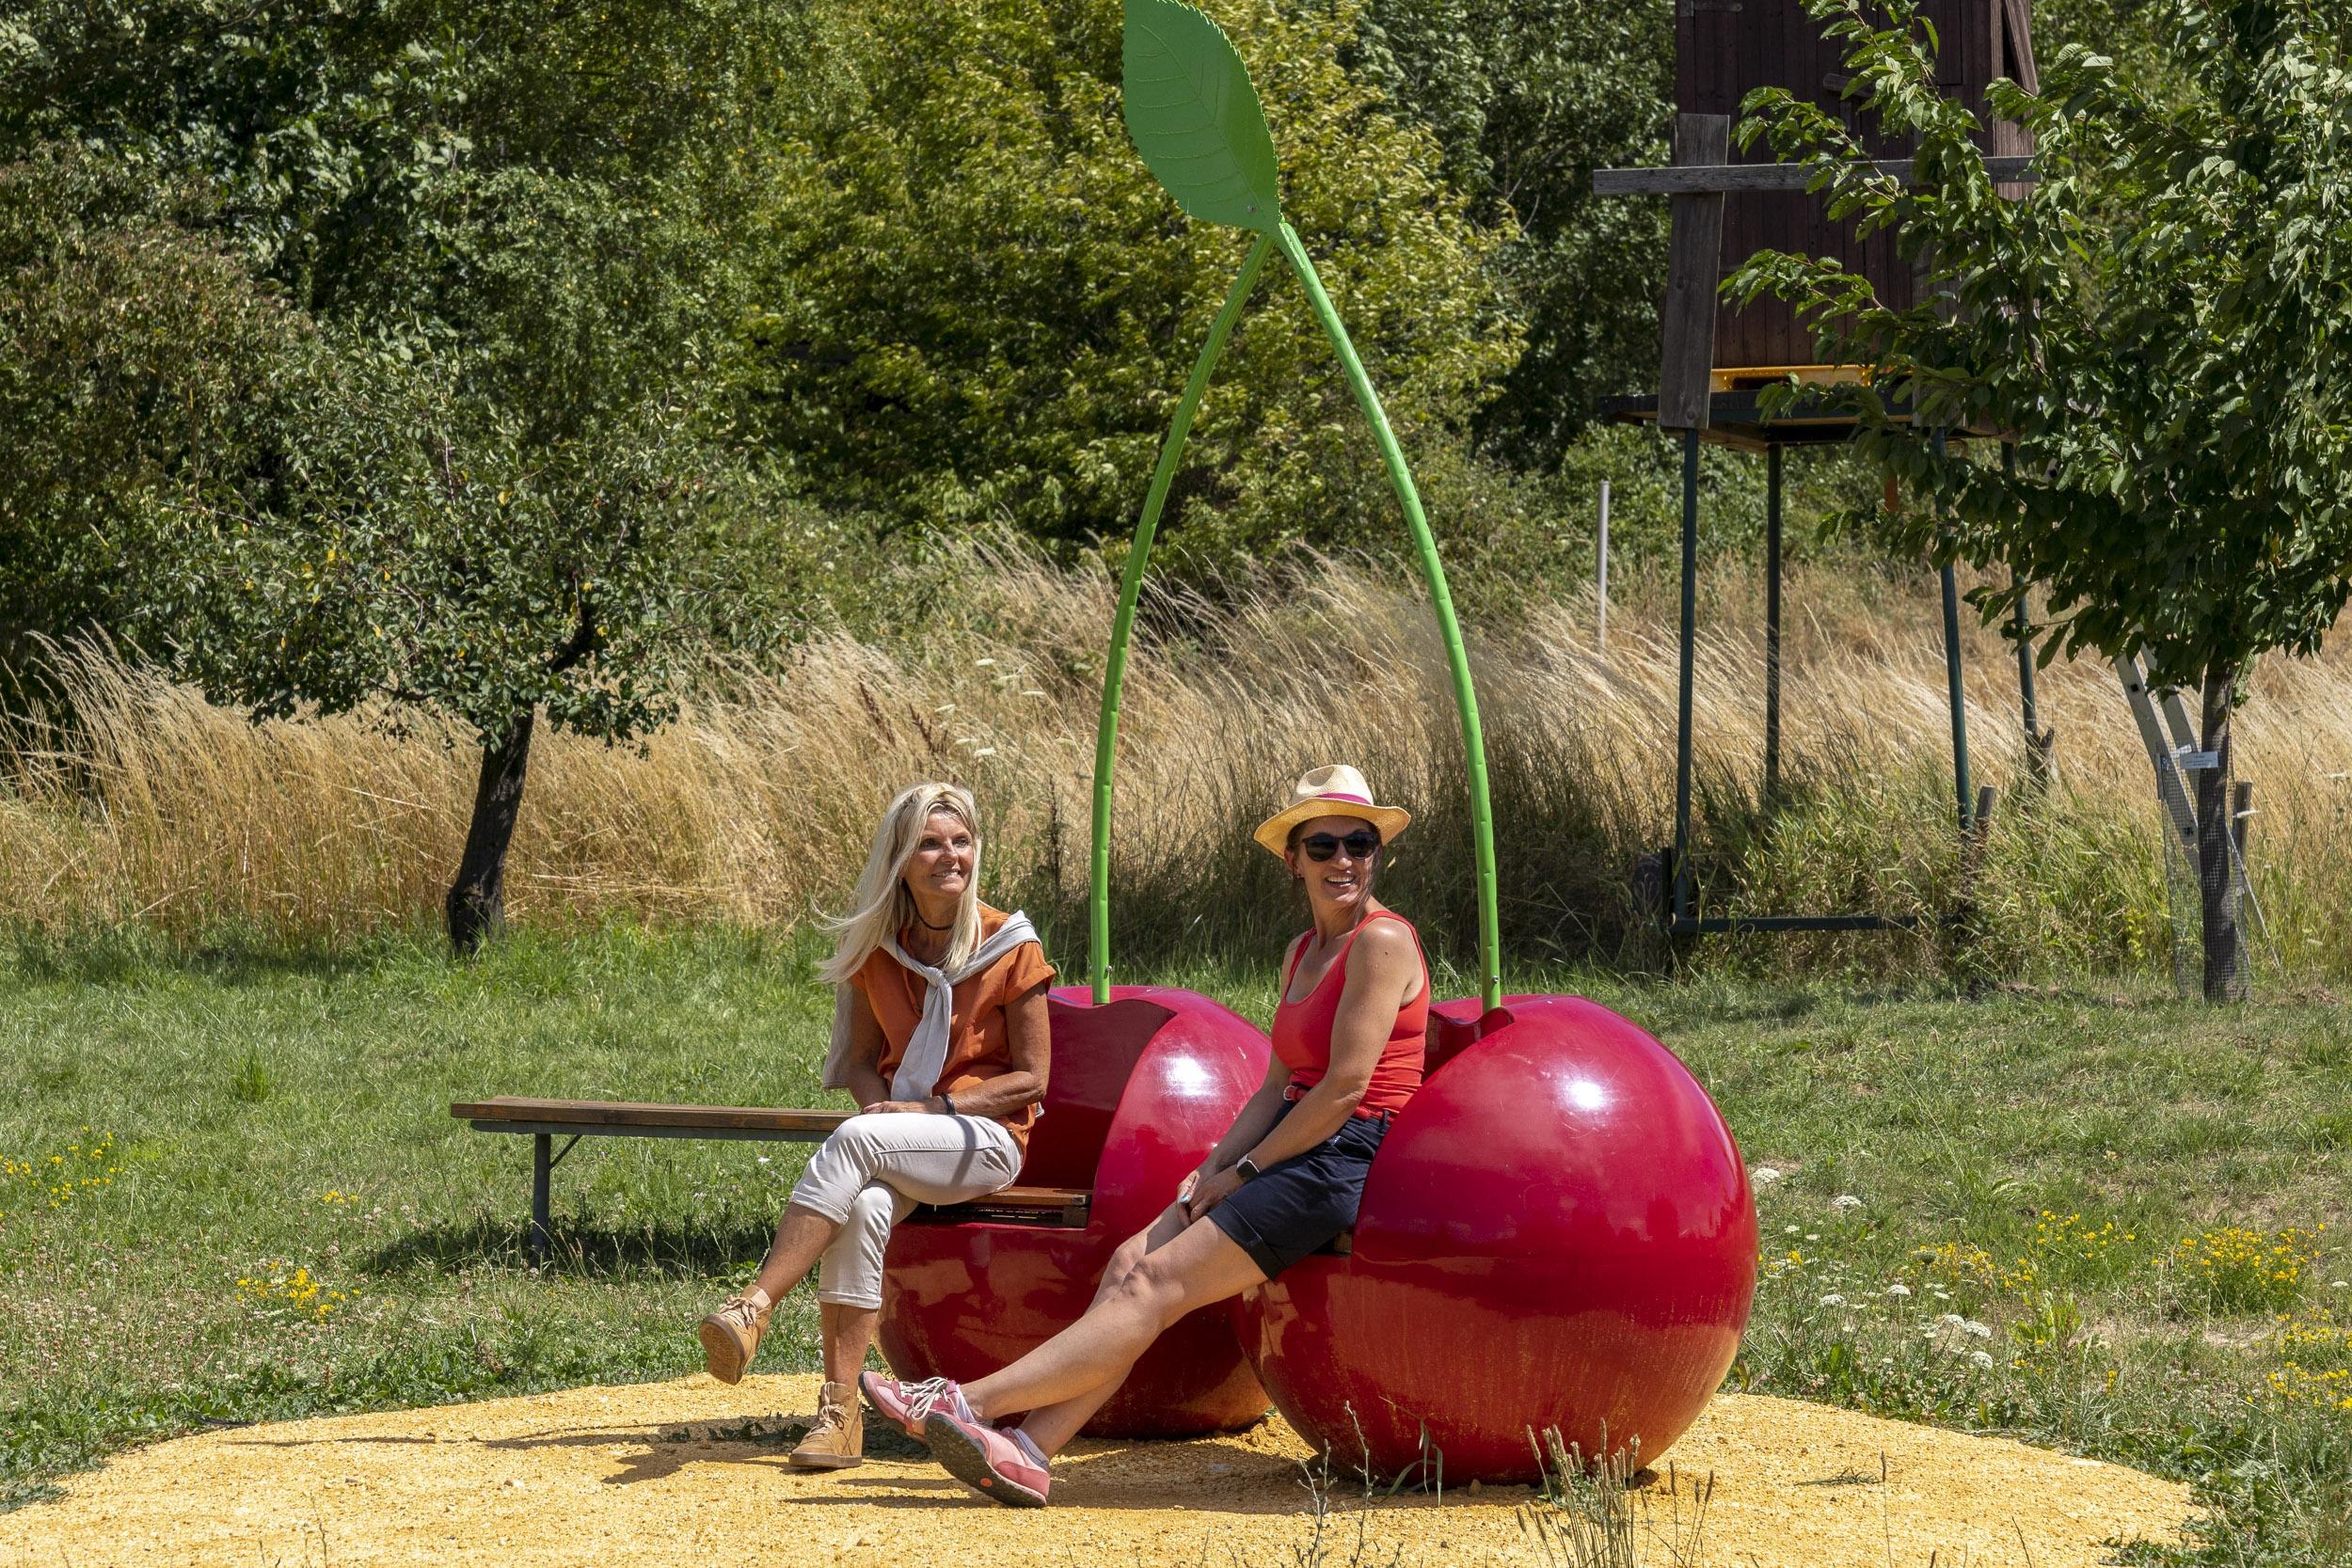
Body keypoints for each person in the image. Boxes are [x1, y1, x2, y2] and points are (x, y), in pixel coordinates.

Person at [859, 763, 1429, 1507]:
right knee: (1131, 1260)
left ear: (1378, 853)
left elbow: (1344, 1089)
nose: (1344, 860)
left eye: (1360, 843)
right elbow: (1275, 1084)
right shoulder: (1303, 950)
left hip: (1336, 1157)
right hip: (1292, 1142)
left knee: (1153, 1285)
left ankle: (967, 1401)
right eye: (1324, 845)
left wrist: (1247, 1172)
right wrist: (1215, 1165)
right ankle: (1031, 1450)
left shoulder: (1380, 941)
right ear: (1294, 859)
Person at [696, 781, 1053, 1471]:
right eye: (930, 843)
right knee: (862, 1208)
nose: (950, 856)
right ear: (900, 859)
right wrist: (884, 1114)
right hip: (902, 1138)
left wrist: (924, 1113)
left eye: (961, 841)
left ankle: (755, 1305)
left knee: (858, 1141)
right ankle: (839, 1416)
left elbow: (1033, 1080)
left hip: (985, 1138)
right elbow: (860, 1063)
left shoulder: (1012, 943)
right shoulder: (879, 949)